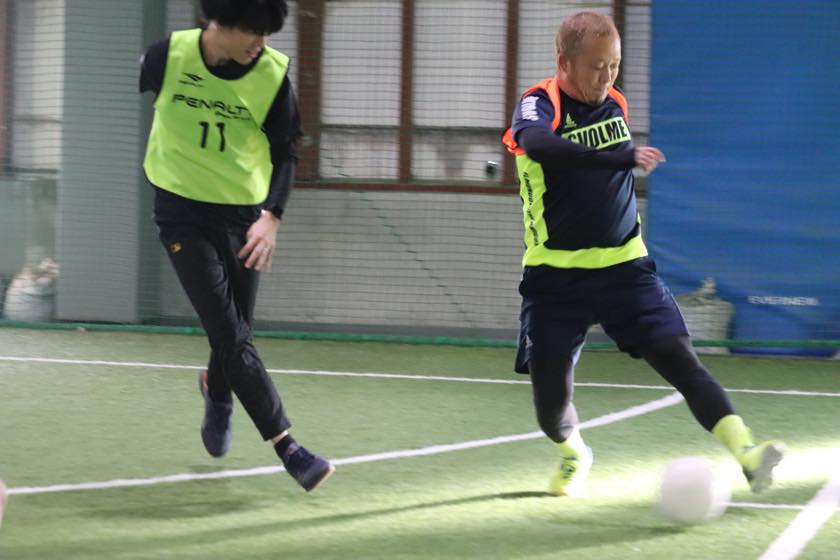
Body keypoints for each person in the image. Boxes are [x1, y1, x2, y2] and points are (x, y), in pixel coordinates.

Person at [502, 11, 783, 497]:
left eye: (614, 65)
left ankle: (749, 454)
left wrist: (618, 159)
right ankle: (574, 452)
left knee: (682, 361)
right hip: (555, 281)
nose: (607, 77)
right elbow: (542, 147)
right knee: (550, 406)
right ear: (564, 62)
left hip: (625, 271)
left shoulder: (615, 102)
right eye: (596, 66)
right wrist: (619, 158)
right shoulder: (538, 105)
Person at [139, 0, 334, 492]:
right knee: (230, 333)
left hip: (244, 218)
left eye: (267, 34)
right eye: (253, 32)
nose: (260, 44)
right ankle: (290, 449)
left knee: (234, 329)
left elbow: (286, 154)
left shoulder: (272, 76)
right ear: (218, 23)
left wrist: (272, 217)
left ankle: (217, 391)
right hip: (181, 214)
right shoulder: (165, 58)